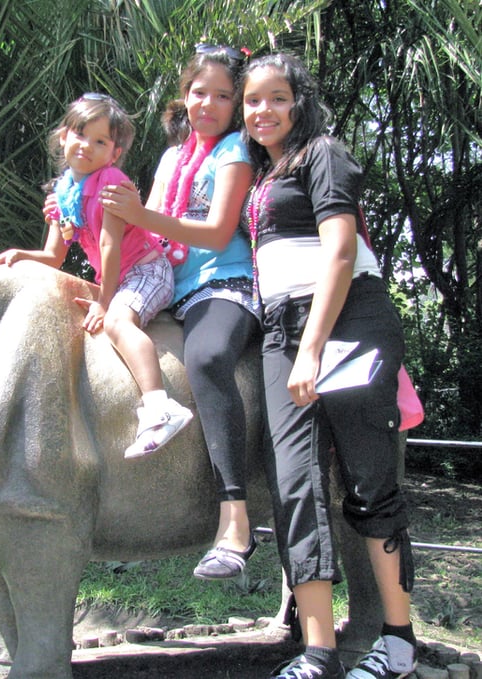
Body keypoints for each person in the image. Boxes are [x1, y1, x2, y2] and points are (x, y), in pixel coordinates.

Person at [240, 52, 416, 679]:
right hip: (279, 331)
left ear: (299, 102)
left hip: (347, 322)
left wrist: (312, 347)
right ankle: (318, 653)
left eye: (277, 97)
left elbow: (340, 253)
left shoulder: (324, 154)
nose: (264, 110)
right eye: (253, 99)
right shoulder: (260, 177)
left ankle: (397, 641)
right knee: (294, 485)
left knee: (369, 481)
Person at [99, 44, 261, 580]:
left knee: (210, 357)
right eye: (198, 92)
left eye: (221, 95)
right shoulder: (171, 158)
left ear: (236, 105)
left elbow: (217, 232)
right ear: (183, 96)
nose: (207, 104)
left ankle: (234, 517)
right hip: (169, 286)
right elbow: (147, 230)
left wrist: (140, 213)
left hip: (224, 282)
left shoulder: (236, 149)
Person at [0, 93, 193, 458]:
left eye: (100, 141)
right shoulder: (64, 191)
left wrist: (106, 303)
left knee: (118, 324)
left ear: (114, 153)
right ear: (63, 136)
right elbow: (54, 255)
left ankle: (161, 407)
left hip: (145, 270)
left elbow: (110, 246)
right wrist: (19, 255)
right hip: (120, 278)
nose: (87, 146)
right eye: (80, 135)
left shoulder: (111, 182)